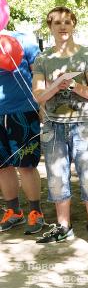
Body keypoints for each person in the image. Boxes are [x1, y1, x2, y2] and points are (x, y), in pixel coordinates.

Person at [31, 7, 88, 243]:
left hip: (83, 124)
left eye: (67, 22)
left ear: (74, 25)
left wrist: (73, 85)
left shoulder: (87, 55)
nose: (62, 27)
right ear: (50, 27)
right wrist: (55, 86)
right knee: (56, 177)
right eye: (57, 23)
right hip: (53, 126)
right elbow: (38, 96)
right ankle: (64, 227)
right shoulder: (43, 59)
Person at [0, 29, 45, 235]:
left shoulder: (24, 38)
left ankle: (36, 212)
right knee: (2, 165)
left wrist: (43, 107)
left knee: (26, 164)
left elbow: (39, 74)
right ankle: (13, 211)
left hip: (23, 111)